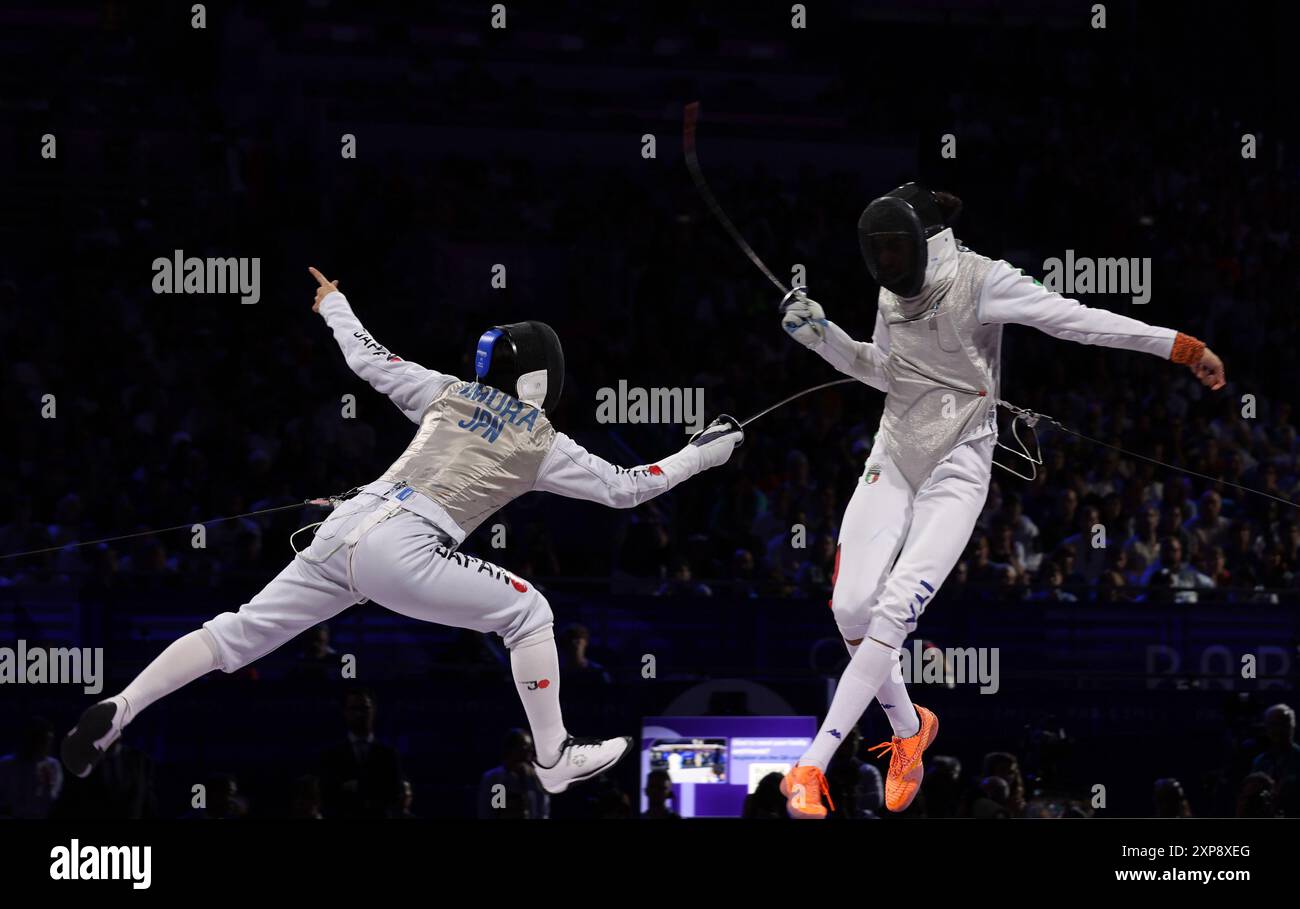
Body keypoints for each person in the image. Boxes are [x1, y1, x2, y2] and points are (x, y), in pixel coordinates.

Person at [63, 267, 743, 799]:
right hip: (404, 544)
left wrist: (333, 301)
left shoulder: (445, 390)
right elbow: (630, 486)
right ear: (540, 379)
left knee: (235, 631)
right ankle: (554, 758)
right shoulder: (542, 439)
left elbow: (368, 357)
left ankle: (122, 705)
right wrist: (705, 451)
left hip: (342, 527)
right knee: (530, 611)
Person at [778, 183, 1226, 818]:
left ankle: (810, 765)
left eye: (895, 247)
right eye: (877, 250)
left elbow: (1080, 322)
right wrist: (824, 338)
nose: (887, 262)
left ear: (925, 242)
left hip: (958, 466)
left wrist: (1178, 346)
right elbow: (888, 372)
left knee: (895, 606)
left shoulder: (983, 281)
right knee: (851, 605)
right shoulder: (889, 291)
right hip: (895, 453)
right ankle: (910, 731)